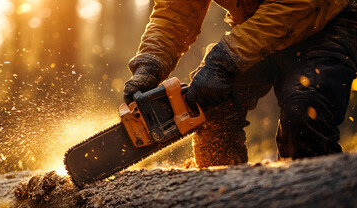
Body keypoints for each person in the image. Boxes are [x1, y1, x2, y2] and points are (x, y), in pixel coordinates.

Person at [123, 0, 357, 168]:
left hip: (328, 22)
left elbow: (296, 5)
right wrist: (150, 63)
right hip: (258, 24)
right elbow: (176, 12)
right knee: (210, 99)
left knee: (304, 112)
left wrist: (222, 60)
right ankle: (221, 198)